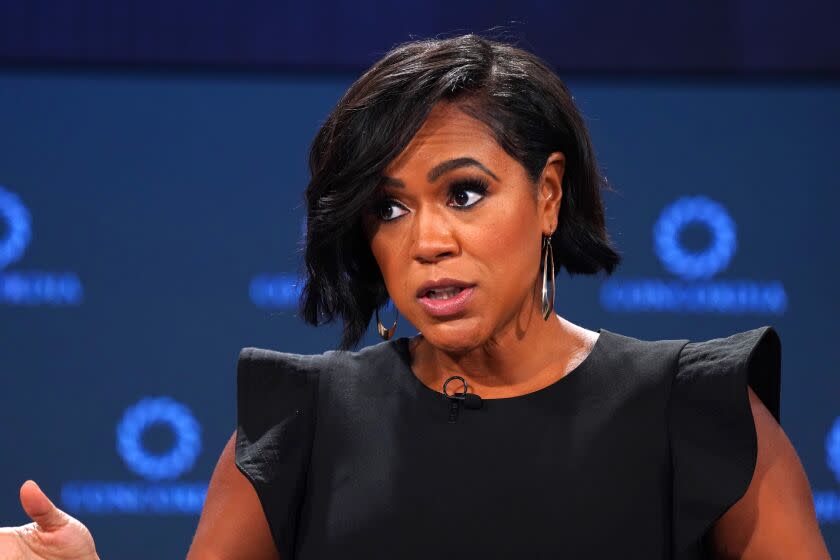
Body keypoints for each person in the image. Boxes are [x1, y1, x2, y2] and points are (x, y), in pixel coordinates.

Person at [0, 33, 830, 560]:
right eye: (389, 208)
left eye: (463, 193)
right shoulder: (300, 424)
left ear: (546, 195)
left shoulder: (697, 414)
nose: (427, 239)